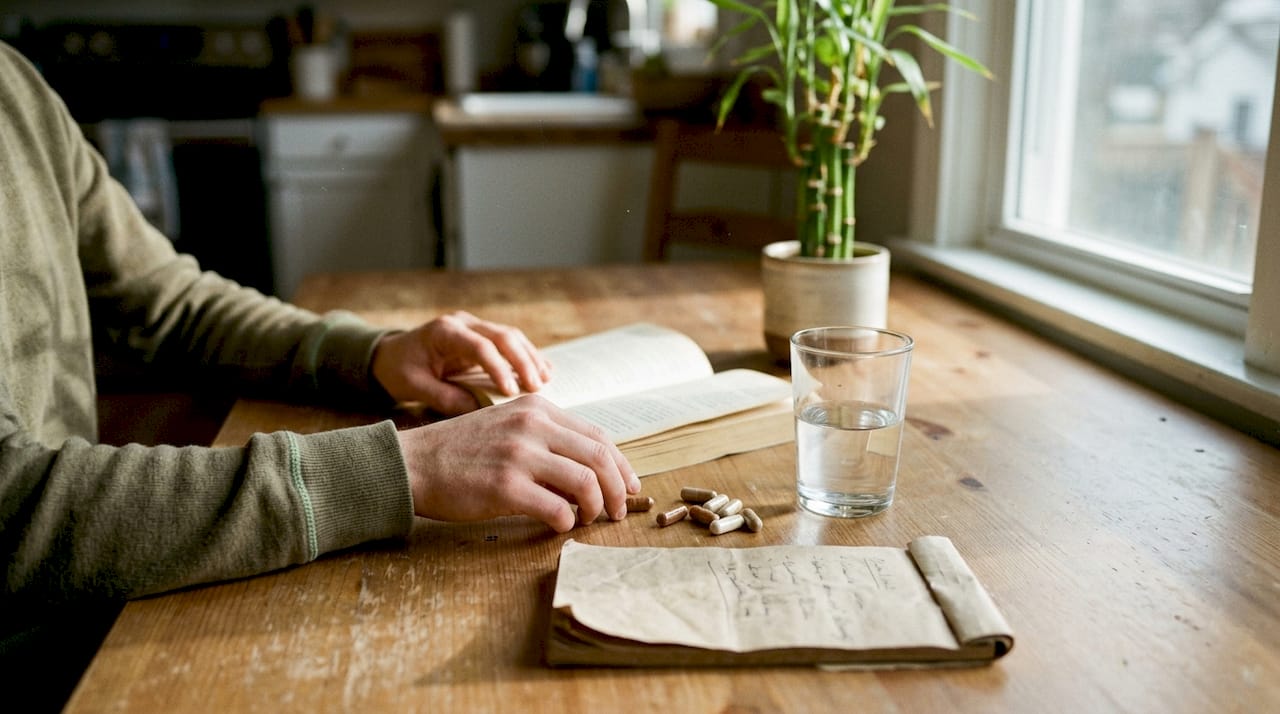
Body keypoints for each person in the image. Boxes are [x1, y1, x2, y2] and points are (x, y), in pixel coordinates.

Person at [0, 41, 639, 708]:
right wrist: (398, 469)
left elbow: (171, 301)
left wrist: (371, 354)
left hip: (92, 605)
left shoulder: (14, 82)